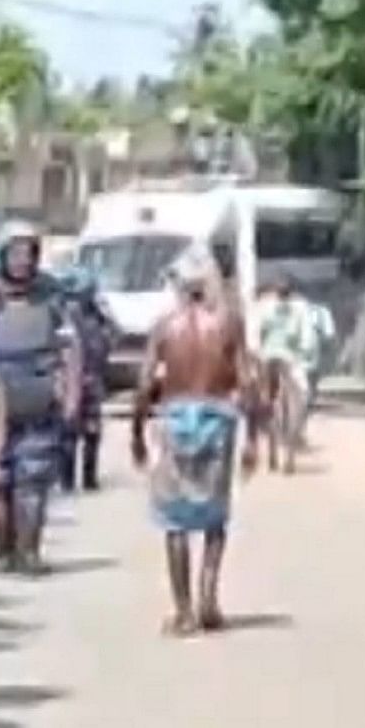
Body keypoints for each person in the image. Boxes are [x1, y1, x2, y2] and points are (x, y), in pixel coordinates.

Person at [137, 264, 254, 634]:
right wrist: (253, 437)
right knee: (215, 516)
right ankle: (208, 599)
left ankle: (184, 610)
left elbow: (144, 383)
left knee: (175, 521)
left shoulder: (164, 326)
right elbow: (246, 379)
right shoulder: (228, 323)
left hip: (173, 420)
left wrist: (136, 431)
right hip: (218, 418)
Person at [0, 221, 81, 576]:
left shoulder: (51, 298)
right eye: (15, 253)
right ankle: (2, 550)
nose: (22, 261)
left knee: (32, 481)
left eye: (29, 252)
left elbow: (69, 347)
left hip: (38, 398)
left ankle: (28, 551)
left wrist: (71, 394)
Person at [248, 277, 330, 473]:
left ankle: (287, 440)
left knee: (299, 393)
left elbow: (306, 336)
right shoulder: (267, 308)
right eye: (281, 293)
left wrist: (303, 353)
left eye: (285, 293)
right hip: (272, 357)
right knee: (263, 394)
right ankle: (265, 427)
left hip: (288, 358)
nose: (283, 297)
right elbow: (255, 334)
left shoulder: (298, 310)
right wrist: (257, 353)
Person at [59, 266, 120, 491]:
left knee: (74, 431)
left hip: (80, 380)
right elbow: (115, 335)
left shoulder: (68, 314)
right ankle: (85, 478)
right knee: (82, 431)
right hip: (82, 379)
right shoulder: (76, 317)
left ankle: (73, 479)